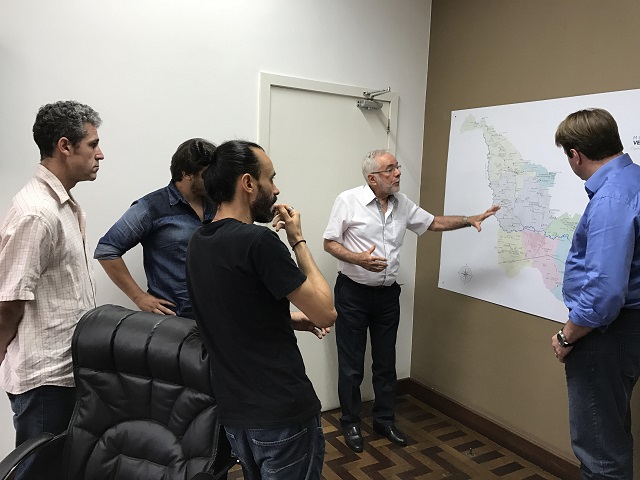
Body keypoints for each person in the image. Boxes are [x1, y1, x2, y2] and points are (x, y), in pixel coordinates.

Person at [323, 149, 499, 452]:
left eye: (397, 167)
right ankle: (351, 422)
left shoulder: (401, 204)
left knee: (385, 362)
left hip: (387, 296)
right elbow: (329, 243)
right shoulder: (348, 201)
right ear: (372, 178)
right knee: (352, 365)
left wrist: (469, 220)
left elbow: (434, 223)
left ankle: (384, 420)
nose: (398, 173)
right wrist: (358, 259)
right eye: (390, 169)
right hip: (353, 294)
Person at [186, 140, 336, 480]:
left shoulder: (199, 241)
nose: (276, 189)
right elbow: (326, 312)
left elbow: (231, 311)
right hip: (281, 413)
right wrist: (298, 240)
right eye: (271, 178)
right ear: (248, 183)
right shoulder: (259, 241)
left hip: (236, 415)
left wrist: (289, 319)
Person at [0, 100, 104, 480]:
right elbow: (9, 300)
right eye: (93, 144)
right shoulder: (37, 212)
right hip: (45, 379)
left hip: (65, 371)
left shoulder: (62, 205)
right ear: (65, 146)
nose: (100, 154)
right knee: (38, 472)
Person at [551, 108, 640, 480]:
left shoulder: (610, 199)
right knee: (613, 433)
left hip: (606, 335)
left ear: (576, 155)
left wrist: (567, 336)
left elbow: (604, 292)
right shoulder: (634, 179)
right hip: (628, 331)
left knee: (600, 451)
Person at [94, 138, 216, 319]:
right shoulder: (151, 207)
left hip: (215, 316)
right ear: (187, 174)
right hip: (173, 320)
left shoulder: (218, 203)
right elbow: (106, 250)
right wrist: (139, 297)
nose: (214, 179)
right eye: (207, 173)